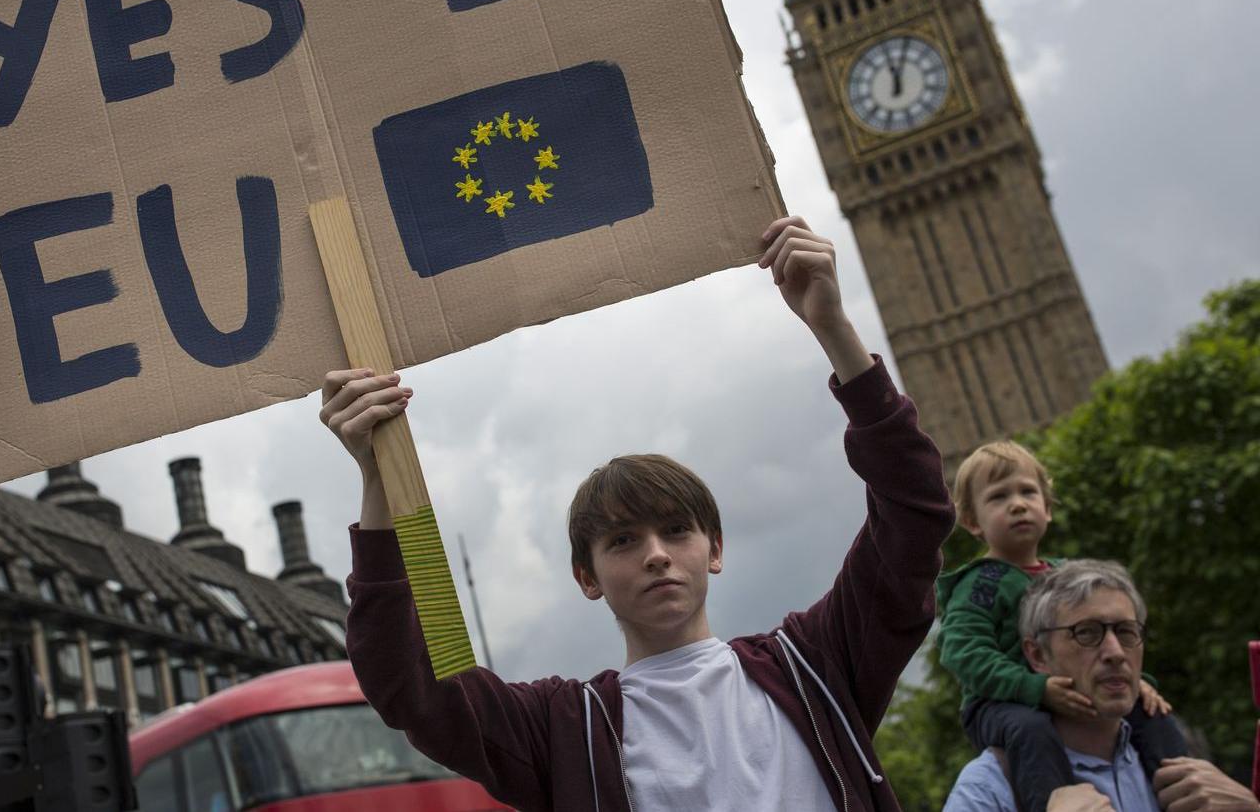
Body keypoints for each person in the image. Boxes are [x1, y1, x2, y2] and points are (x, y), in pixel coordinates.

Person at [318, 216, 956, 811]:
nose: (656, 553)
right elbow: (417, 679)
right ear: (586, 578)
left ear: (715, 549)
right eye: (622, 540)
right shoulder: (564, 729)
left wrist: (833, 329)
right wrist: (384, 480)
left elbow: (914, 516)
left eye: (676, 530)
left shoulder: (814, 665)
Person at [936, 444, 1187, 812]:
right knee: (1032, 730)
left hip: (1061, 692)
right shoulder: (981, 584)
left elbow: (1104, 643)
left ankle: (1183, 789)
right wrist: (1035, 688)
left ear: (1048, 509)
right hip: (1000, 704)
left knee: (1153, 714)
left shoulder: (1066, 576)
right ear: (973, 522)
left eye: (1027, 492)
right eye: (999, 497)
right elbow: (962, 652)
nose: (1018, 504)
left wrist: (1138, 681)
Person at [943, 560, 1258, 812]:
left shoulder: (1189, 765)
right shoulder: (990, 788)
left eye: (1126, 631)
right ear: (1037, 655)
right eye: (1087, 633)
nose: (1115, 653)